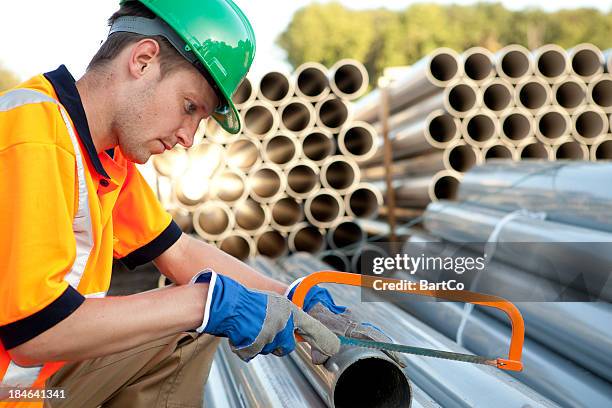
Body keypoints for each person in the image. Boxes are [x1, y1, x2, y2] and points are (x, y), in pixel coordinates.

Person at [0, 1, 400, 407]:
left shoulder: (103, 155)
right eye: (190, 107)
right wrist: (203, 302)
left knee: (189, 322)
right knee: (194, 310)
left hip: (32, 387)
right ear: (142, 60)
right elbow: (35, 333)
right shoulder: (31, 137)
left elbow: (180, 252)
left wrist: (297, 300)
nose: (188, 138)